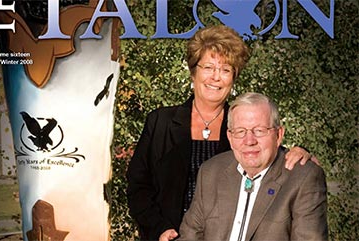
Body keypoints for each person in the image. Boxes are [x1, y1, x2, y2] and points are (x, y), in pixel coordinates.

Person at [126, 25, 316, 241]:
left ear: (233, 78)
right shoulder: (160, 122)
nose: (216, 77)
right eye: (208, 67)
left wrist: (300, 154)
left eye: (225, 70)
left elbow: (263, 153)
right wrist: (160, 229)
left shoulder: (241, 126)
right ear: (193, 72)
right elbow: (138, 187)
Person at [179, 92, 328, 241]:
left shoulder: (303, 178)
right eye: (240, 131)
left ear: (278, 135)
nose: (249, 141)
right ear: (230, 138)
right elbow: (190, 235)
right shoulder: (211, 171)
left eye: (259, 130)